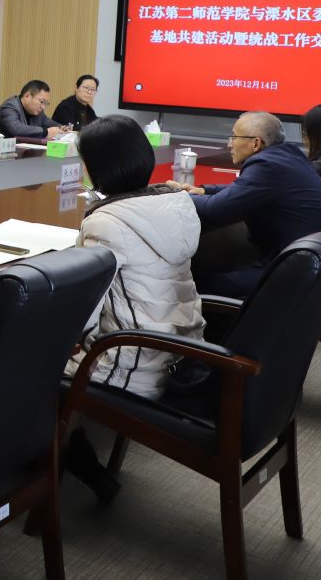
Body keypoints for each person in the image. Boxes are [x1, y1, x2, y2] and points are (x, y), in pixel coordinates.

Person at [62, 114, 204, 502]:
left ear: (96, 167)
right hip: (180, 353)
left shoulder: (106, 222)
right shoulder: (175, 204)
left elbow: (83, 314)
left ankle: (75, 466)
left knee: (26, 364)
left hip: (131, 364)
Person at [171, 110, 321, 297]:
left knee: (193, 285)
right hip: (320, 268)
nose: (229, 144)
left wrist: (177, 195)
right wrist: (204, 191)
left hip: (294, 274)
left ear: (256, 143)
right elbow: (244, 189)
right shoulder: (287, 155)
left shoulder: (266, 165)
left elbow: (214, 209)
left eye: (234, 137)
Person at [0, 79, 67, 139]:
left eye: (46, 103)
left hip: (24, 150)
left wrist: (62, 128)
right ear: (27, 96)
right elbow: (16, 128)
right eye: (41, 102)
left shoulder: (37, 112)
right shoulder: (10, 106)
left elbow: (49, 123)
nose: (43, 107)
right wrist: (46, 132)